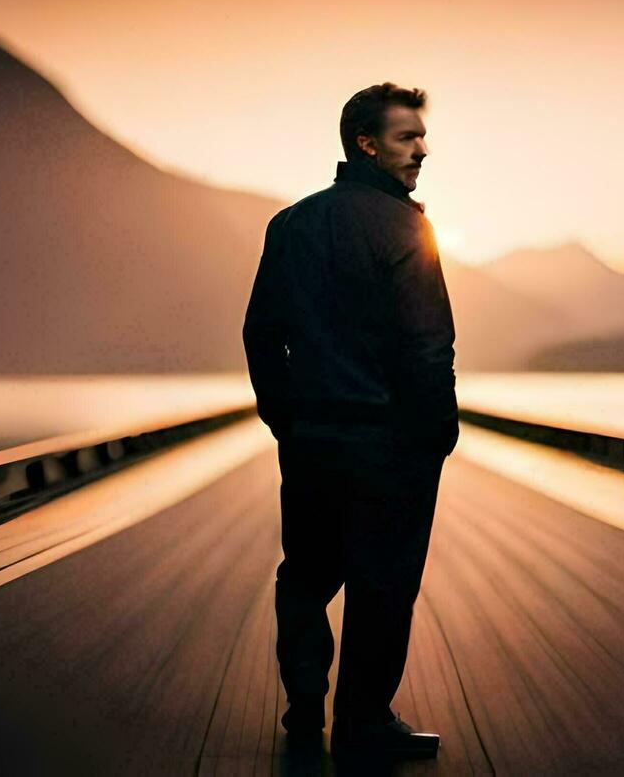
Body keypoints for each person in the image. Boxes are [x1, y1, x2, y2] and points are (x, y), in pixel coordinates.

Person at [242, 81, 458, 761]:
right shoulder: (406, 228)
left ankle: (305, 707)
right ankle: (363, 725)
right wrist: (436, 437)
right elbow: (428, 345)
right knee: (382, 585)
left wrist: (287, 418)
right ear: (368, 144)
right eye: (407, 137)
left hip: (309, 444)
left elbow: (260, 334)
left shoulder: (291, 225)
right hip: (389, 447)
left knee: (305, 574)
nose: (423, 149)